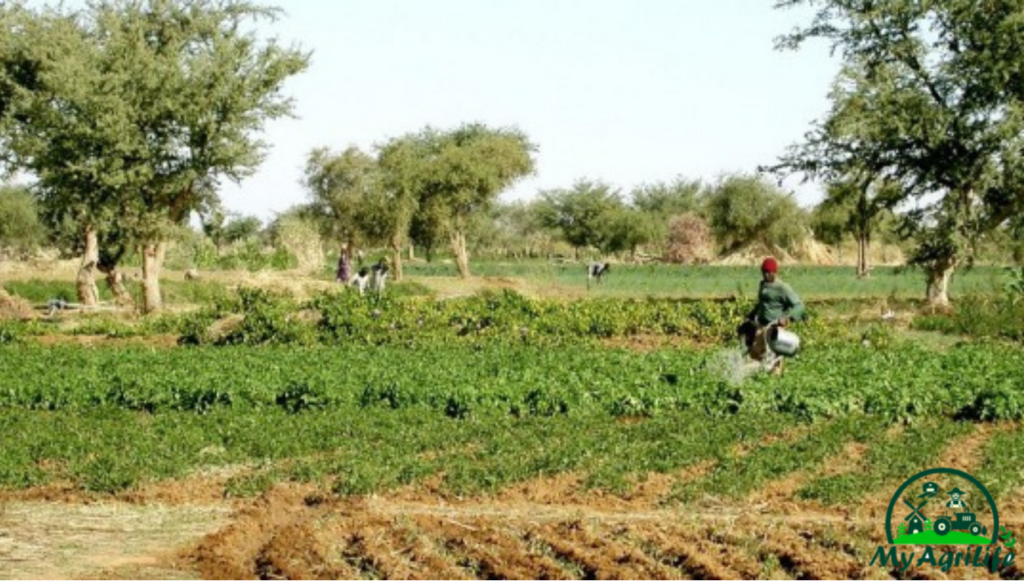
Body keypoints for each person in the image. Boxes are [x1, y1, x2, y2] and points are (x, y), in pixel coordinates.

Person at [738, 257, 806, 375]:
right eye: (764, 272)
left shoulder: (782, 288)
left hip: (775, 328)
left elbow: (799, 305)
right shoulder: (763, 285)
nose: (766, 275)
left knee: (775, 359)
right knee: (755, 354)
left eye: (769, 272)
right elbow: (762, 304)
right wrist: (750, 316)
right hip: (762, 326)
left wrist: (787, 317)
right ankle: (757, 381)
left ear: (775, 272)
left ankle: (775, 384)